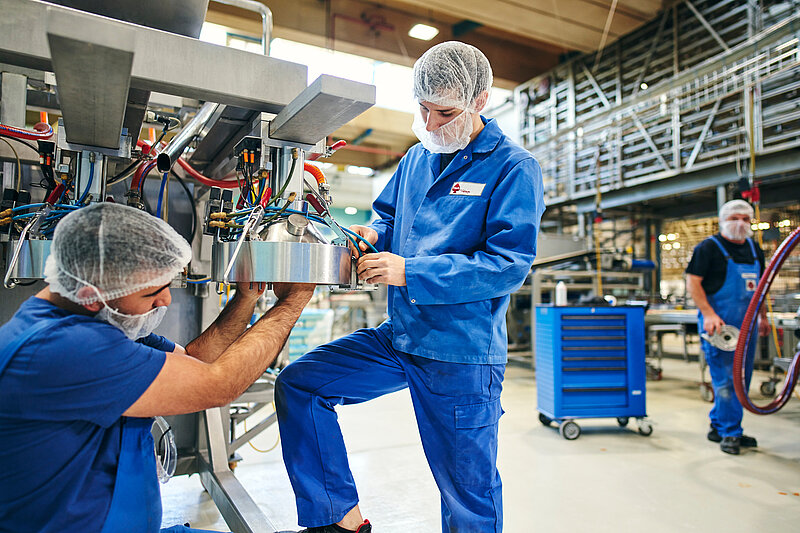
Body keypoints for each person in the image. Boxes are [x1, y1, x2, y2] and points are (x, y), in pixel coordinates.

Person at [275, 41, 544, 533]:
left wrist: (410, 272)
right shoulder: (418, 158)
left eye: (444, 112)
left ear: (480, 101)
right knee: (301, 385)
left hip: (460, 352)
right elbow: (386, 214)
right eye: (423, 110)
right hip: (400, 336)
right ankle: (336, 516)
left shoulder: (512, 167)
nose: (432, 123)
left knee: (466, 494)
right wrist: (370, 234)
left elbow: (508, 265)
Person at [0, 202, 315, 532]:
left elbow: (194, 361)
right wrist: (292, 302)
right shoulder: (64, 349)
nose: (165, 300)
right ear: (91, 294)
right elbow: (218, 385)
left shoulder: (91, 320)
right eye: (153, 291)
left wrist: (245, 300)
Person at [686, 199, 770, 455]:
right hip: (719, 326)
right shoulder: (708, 248)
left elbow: (762, 287)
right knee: (725, 381)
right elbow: (693, 282)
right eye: (734, 218)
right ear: (722, 221)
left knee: (741, 379)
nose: (740, 224)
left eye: (746, 219)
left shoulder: (755, 249)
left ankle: (718, 425)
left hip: (748, 325)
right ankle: (732, 433)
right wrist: (708, 314)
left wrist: (763, 317)